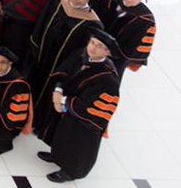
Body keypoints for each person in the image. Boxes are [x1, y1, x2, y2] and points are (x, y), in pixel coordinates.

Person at [39, 31, 122, 183]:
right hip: (68, 109)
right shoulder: (82, 56)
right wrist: (58, 89)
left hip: (85, 121)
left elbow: (90, 105)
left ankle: (71, 172)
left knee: (77, 144)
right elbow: (64, 72)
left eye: (99, 46)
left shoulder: (108, 79)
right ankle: (57, 155)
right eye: (92, 43)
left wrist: (62, 100)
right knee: (62, 134)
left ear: (107, 52)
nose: (93, 48)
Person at [29, 0, 103, 139]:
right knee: (35, 81)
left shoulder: (93, 23)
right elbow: (42, 20)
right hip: (43, 54)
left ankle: (40, 122)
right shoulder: (58, 2)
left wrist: (69, 68)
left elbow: (84, 50)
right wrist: (35, 42)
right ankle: (26, 114)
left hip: (62, 64)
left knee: (51, 91)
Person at [93, 0, 155, 76]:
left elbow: (134, 46)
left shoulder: (146, 20)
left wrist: (111, 52)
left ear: (141, 0)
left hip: (115, 59)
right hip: (91, 44)